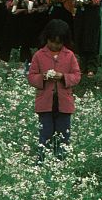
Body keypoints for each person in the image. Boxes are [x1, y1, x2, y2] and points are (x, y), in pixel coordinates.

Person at [28, 18, 81, 161]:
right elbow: (31, 77)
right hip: (45, 103)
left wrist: (63, 77)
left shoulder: (69, 56)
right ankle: (42, 161)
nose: (54, 45)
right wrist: (43, 77)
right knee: (45, 134)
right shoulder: (39, 55)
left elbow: (76, 76)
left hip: (64, 104)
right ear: (46, 38)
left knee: (63, 135)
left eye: (58, 43)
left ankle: (60, 161)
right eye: (52, 41)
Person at [73, 0, 102, 77]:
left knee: (92, 41)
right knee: (80, 40)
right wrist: (77, 1)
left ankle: (92, 68)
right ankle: (82, 66)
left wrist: (90, 1)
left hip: (92, 16)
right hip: (80, 15)